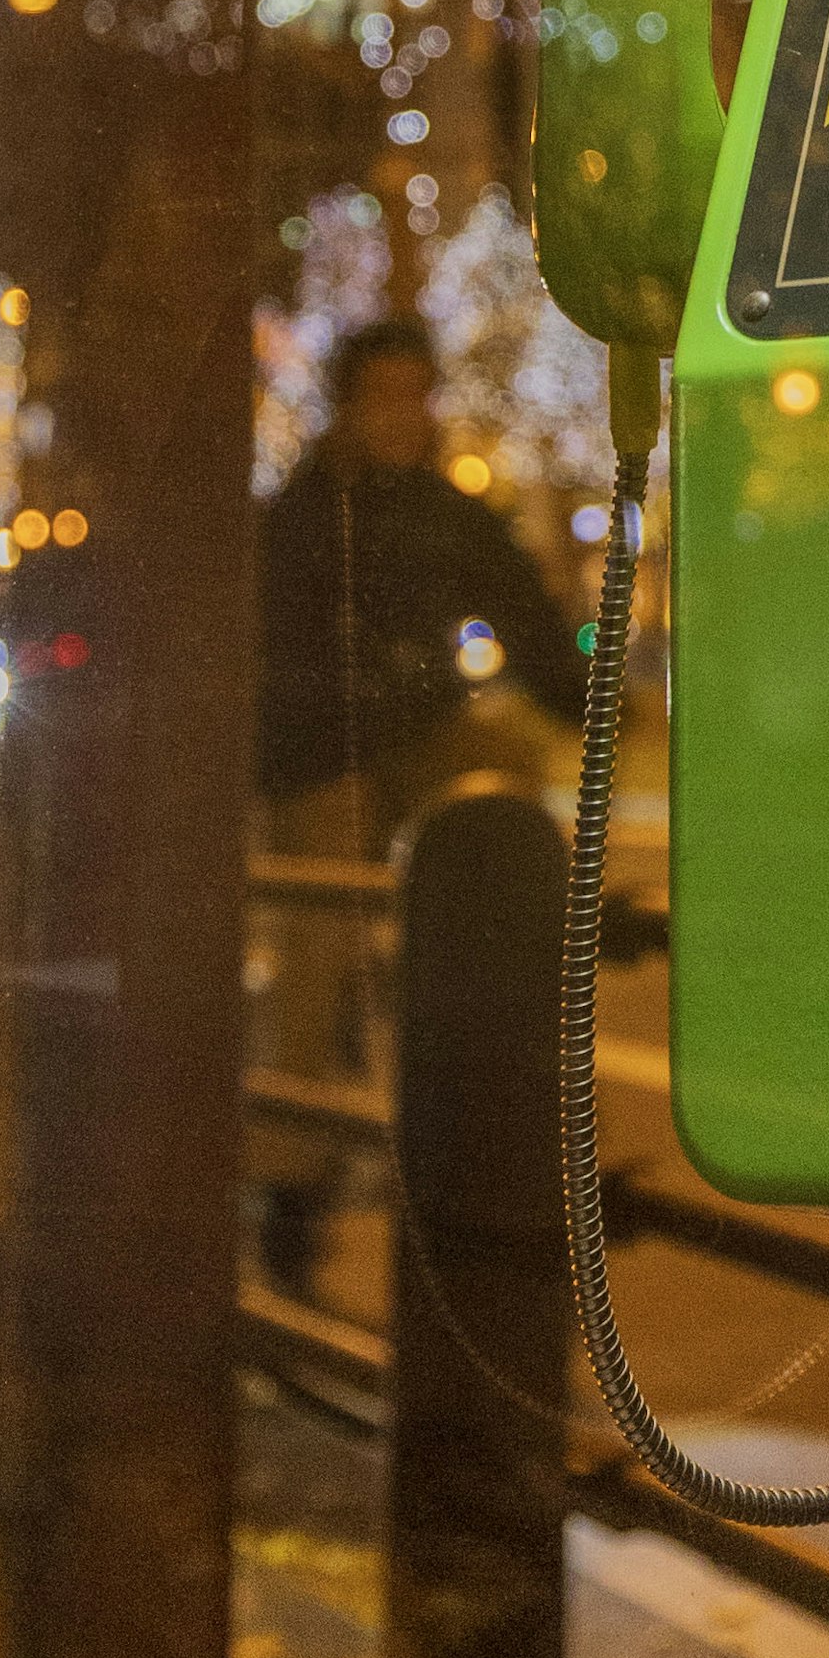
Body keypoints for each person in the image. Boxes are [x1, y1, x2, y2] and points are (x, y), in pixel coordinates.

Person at [249, 313, 587, 1300]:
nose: (403, 416)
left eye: (416, 395)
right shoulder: (304, 517)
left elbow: (523, 614)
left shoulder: (446, 513)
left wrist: (593, 699)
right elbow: (271, 661)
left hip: (416, 737)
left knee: (504, 766)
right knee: (319, 955)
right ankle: (290, 1185)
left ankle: (513, 962)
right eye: (383, 396)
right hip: (323, 756)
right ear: (348, 406)